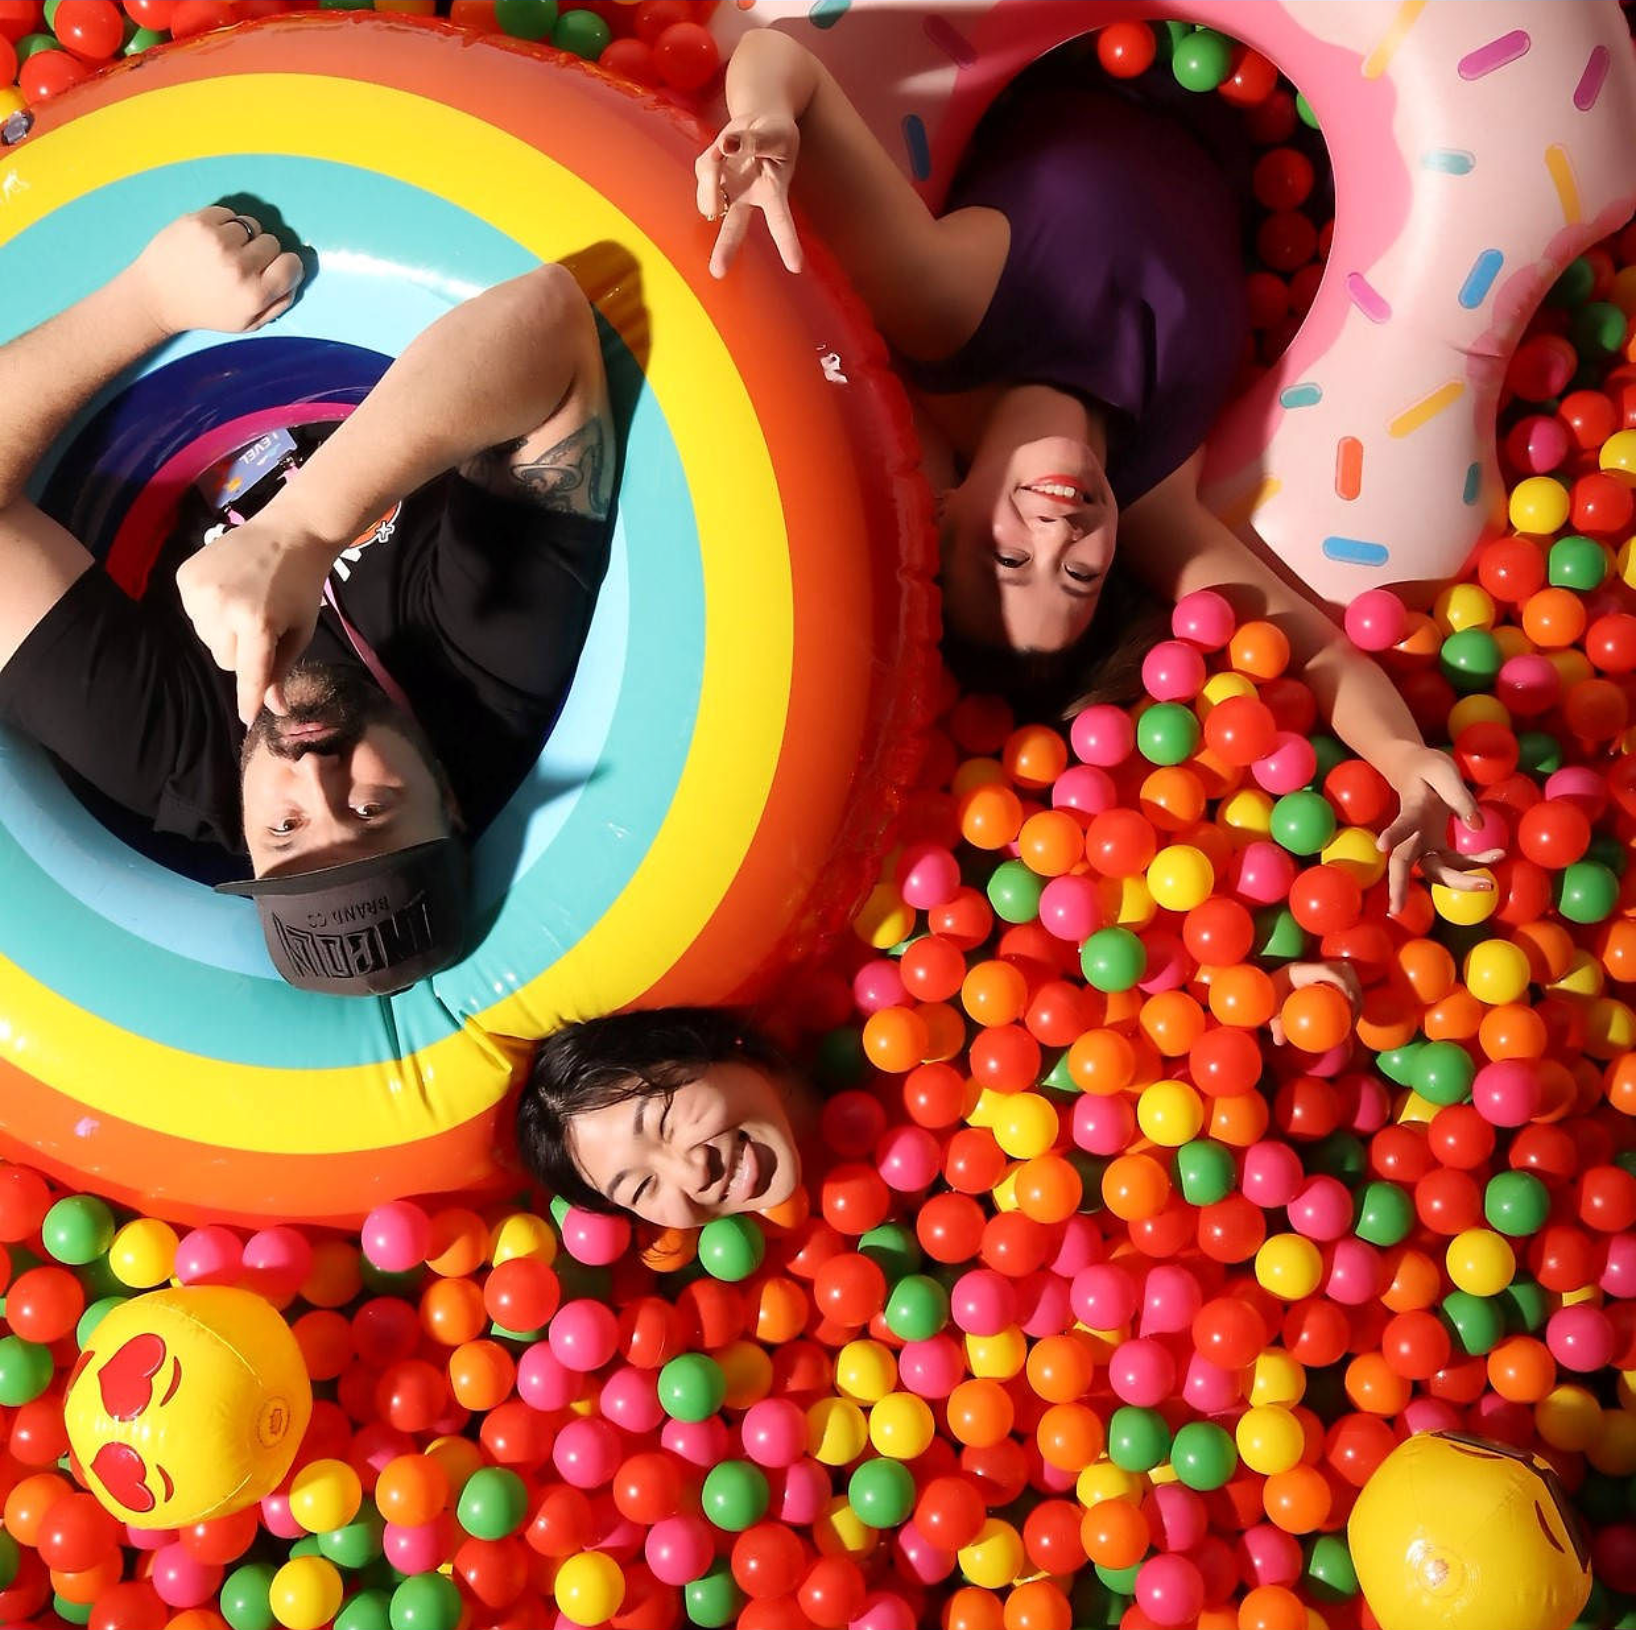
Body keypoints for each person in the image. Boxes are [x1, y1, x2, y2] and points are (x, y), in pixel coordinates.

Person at [693, 28, 1501, 915]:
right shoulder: (1157, 497)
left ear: (948, 506)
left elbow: (788, 63)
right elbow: (1320, 648)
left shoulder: (940, 309)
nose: (1060, 534)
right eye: (1078, 575)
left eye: (1007, 559)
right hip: (1289, 115)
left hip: (1089, 42)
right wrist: (1404, 759)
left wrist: (762, 123)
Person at [0, 207, 614, 996]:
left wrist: (147, 304)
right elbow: (551, 319)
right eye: (369, 811)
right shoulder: (493, 674)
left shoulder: (173, 767)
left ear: (245, 850)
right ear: (452, 805)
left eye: (286, 831)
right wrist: (303, 529)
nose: (310, 773)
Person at [516, 959, 1361, 1229]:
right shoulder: (777, 1299)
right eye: (639, 1189)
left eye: (661, 1116)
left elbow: (1132, 1001)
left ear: (708, 1046)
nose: (687, 1169)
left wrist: (1266, 996)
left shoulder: (915, 1009)